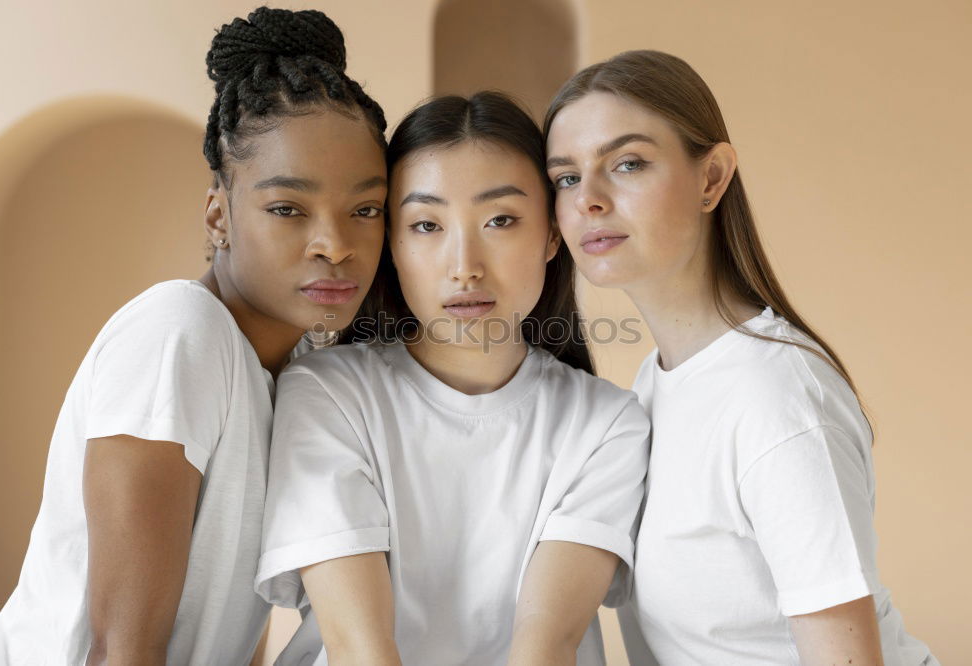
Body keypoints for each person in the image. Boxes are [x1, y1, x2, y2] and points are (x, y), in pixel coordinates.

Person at [0, 7, 387, 664]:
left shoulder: (304, 370)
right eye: (287, 208)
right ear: (218, 215)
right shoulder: (180, 334)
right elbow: (122, 652)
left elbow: (226, 631)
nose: (334, 245)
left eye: (365, 209)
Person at [544, 49, 936, 665]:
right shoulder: (659, 380)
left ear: (712, 177)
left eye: (627, 163)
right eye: (566, 176)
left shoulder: (776, 397)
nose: (587, 198)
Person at [255, 92, 650, 666]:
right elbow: (359, 648)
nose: (464, 264)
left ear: (551, 235)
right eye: (426, 224)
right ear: (392, 244)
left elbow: (545, 648)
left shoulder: (608, 423)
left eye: (500, 220)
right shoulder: (325, 392)